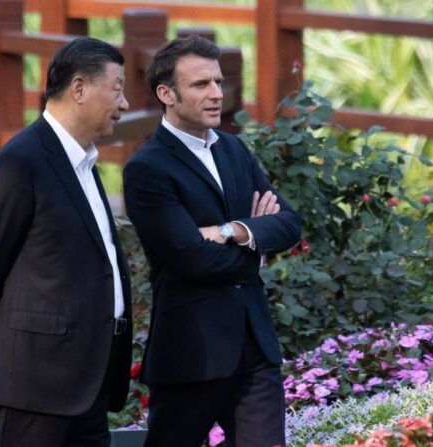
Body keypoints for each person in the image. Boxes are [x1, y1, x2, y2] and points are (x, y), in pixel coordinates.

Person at [0, 36, 133, 447]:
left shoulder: (84, 162)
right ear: (80, 88)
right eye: (118, 87)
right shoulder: (21, 162)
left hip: (87, 382)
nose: (124, 103)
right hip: (31, 383)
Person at [123, 35, 301, 447]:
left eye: (219, 82)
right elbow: (190, 258)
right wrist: (256, 252)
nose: (217, 94)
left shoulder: (234, 150)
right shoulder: (147, 168)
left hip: (255, 349)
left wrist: (232, 231)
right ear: (167, 94)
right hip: (191, 351)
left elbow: (289, 224)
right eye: (201, 85)